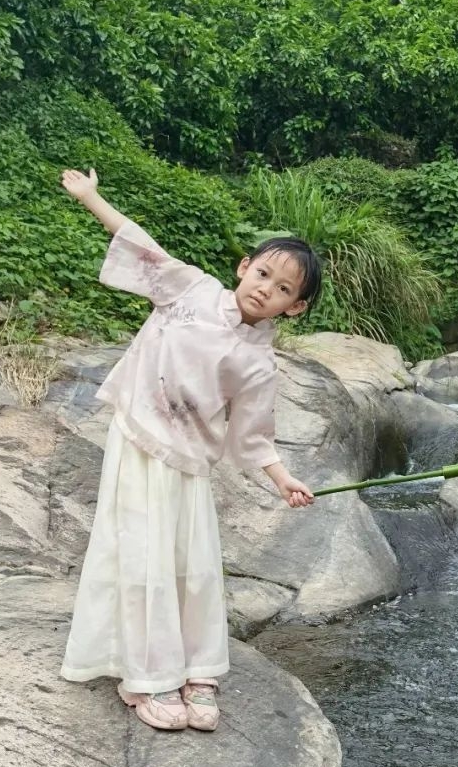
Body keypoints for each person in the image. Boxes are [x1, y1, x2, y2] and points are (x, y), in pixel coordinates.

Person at [59, 168, 321, 733]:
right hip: (140, 442)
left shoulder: (259, 363)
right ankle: (146, 675)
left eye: (283, 289)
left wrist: (284, 479)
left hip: (189, 463)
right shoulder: (192, 289)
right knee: (142, 554)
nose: (266, 289)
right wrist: (91, 197)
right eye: (264, 273)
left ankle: (197, 668)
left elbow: (253, 434)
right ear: (244, 266)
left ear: (294, 308)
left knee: (190, 566)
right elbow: (141, 247)